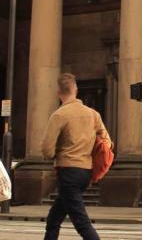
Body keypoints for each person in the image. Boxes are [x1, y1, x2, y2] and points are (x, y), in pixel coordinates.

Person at [42, 73, 112, 240]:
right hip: (85, 172)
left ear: (58, 92)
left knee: (81, 223)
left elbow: (47, 149)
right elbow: (108, 142)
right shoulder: (93, 114)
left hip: (68, 171)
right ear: (76, 90)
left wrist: (56, 154)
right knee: (54, 219)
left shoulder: (59, 115)